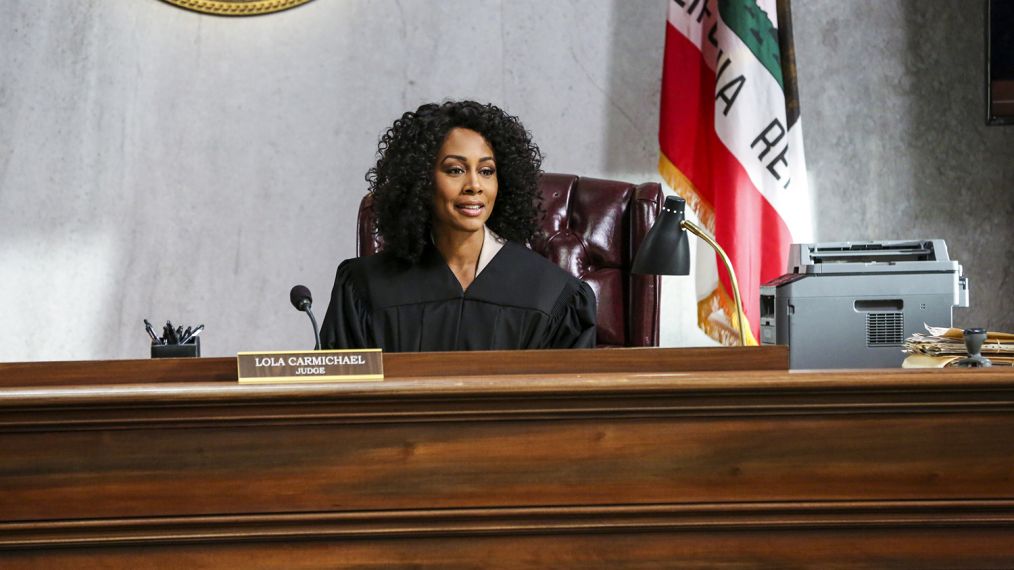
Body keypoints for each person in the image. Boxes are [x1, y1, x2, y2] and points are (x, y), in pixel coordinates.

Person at [320, 101, 596, 352]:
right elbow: (339, 387)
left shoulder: (554, 294)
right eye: (455, 170)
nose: (474, 185)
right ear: (422, 181)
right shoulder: (365, 287)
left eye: (486, 171)